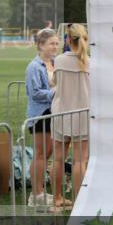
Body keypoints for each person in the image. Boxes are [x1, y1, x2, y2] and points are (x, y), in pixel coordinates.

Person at [52, 24, 91, 206]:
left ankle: (58, 198)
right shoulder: (91, 62)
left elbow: (54, 82)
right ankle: (79, 202)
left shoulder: (59, 60)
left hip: (61, 113)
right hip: (82, 115)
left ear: (68, 39)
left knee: (58, 158)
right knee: (80, 160)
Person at [25, 28, 62, 209]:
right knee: (40, 155)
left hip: (54, 112)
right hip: (40, 115)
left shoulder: (56, 62)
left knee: (47, 154)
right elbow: (35, 93)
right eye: (51, 43)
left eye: (56, 43)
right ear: (40, 45)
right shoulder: (34, 66)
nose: (55, 46)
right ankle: (36, 194)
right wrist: (56, 92)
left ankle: (39, 192)